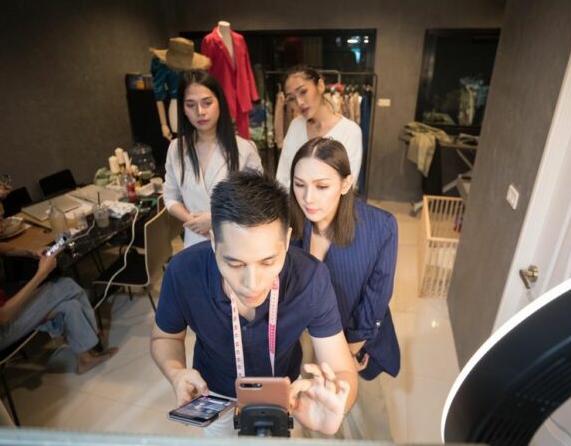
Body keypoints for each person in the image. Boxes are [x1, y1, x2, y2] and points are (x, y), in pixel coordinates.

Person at [151, 170, 358, 436]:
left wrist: (336, 409)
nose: (252, 282)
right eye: (234, 263)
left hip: (286, 396)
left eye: (268, 262)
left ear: (286, 241)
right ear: (214, 242)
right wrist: (176, 373)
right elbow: (164, 338)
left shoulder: (311, 278)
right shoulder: (183, 272)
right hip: (215, 397)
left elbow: (342, 368)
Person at [289, 138, 400, 440]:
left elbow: (378, 295)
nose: (308, 197)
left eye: (322, 186)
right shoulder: (290, 224)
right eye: (299, 185)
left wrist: (349, 351)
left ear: (345, 183)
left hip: (357, 336)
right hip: (305, 335)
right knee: (315, 411)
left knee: (369, 418)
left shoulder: (380, 226)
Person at [0, 189, 118, 374]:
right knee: (66, 286)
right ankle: (93, 336)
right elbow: (2, 316)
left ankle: (85, 359)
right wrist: (41, 273)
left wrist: (29, 251)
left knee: (69, 305)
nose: (3, 224)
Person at [163, 69, 262, 247]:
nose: (200, 112)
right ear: (183, 109)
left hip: (235, 241)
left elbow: (258, 198)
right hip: (195, 241)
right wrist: (193, 222)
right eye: (191, 105)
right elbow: (170, 197)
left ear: (219, 103)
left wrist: (216, 218)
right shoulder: (175, 149)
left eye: (207, 103)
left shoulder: (244, 149)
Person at [275, 65, 362, 189]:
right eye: (291, 99)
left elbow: (347, 185)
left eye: (303, 92)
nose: (299, 102)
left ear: (320, 86)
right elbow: (282, 177)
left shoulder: (350, 131)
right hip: (292, 206)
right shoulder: (295, 126)